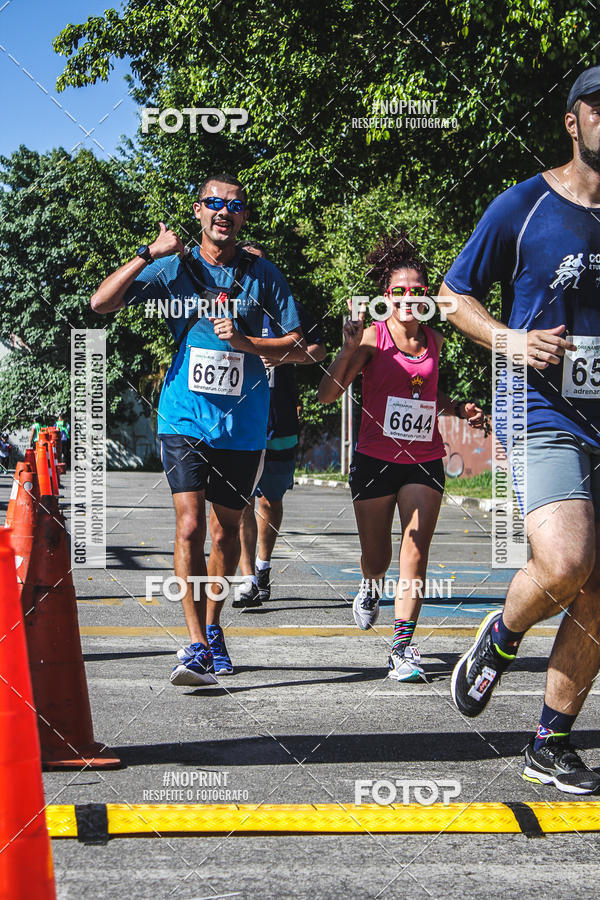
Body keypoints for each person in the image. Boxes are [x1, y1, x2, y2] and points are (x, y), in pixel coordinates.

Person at [440, 66, 600, 794]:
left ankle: (549, 743)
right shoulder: (524, 205)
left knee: (598, 594)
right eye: (599, 107)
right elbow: (453, 296)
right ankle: (500, 639)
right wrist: (508, 339)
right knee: (566, 562)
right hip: (542, 408)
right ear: (573, 121)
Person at [90, 173, 304, 686]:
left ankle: (212, 630)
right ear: (197, 211)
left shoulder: (264, 275)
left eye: (233, 205)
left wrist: (249, 343)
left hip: (244, 426)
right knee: (188, 526)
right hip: (183, 417)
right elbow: (101, 304)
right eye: (213, 203)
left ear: (244, 216)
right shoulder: (174, 269)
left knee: (225, 531)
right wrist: (147, 250)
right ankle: (193, 644)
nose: (222, 211)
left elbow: (298, 347)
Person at [318, 232, 484, 681]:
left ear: (426, 296)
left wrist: (457, 409)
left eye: (416, 291)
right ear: (386, 297)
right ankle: (370, 587)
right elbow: (327, 395)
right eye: (398, 292)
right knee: (379, 556)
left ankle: (402, 648)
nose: (408, 299)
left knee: (416, 549)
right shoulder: (371, 339)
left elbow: (427, 393)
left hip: (424, 460)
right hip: (374, 460)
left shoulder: (436, 342)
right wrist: (348, 348)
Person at [235, 240, 326, 607]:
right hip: (239, 420)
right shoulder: (228, 310)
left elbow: (318, 350)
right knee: (240, 499)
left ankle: (263, 566)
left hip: (280, 418)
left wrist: (284, 355)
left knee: (270, 500)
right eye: (246, 266)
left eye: (259, 265)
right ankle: (246, 579)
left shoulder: (289, 309)